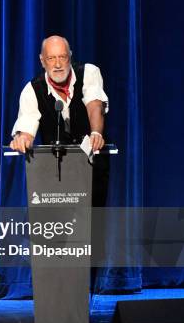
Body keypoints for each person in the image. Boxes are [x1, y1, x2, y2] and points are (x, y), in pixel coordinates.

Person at [9, 35, 109, 206]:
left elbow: (95, 106)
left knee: (92, 228)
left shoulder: (89, 73)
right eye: (51, 58)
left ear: (70, 56)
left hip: (91, 169)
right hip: (56, 171)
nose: (57, 64)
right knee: (61, 228)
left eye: (62, 57)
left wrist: (96, 133)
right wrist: (22, 139)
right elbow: (27, 125)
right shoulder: (31, 90)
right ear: (42, 61)